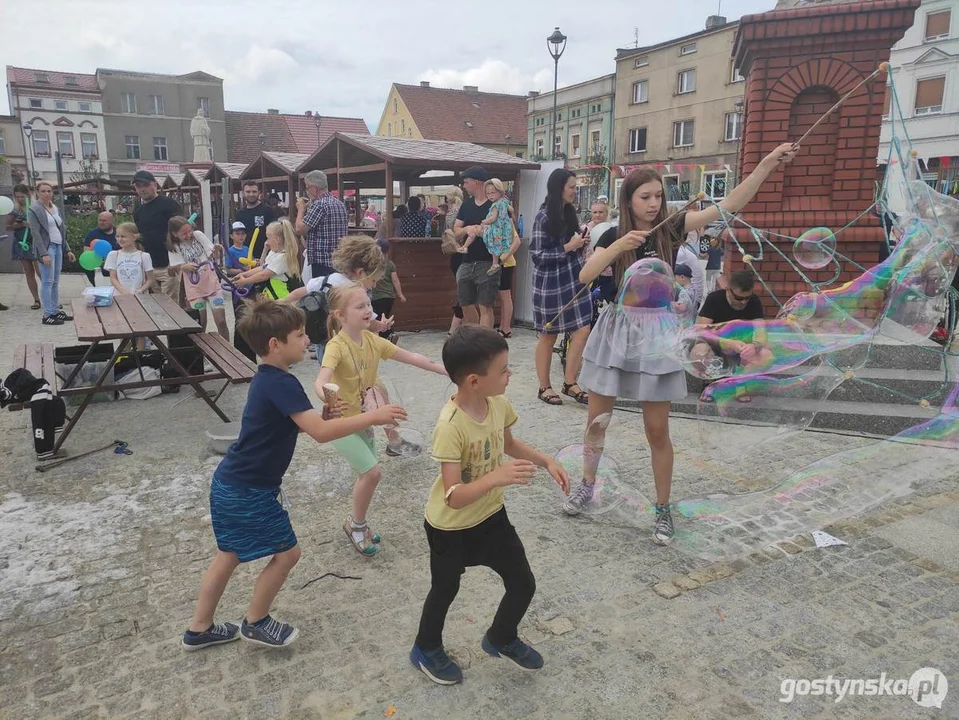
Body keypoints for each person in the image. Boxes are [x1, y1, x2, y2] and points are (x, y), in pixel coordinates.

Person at [569, 143, 797, 544]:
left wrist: (764, 164)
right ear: (629, 199)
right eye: (646, 197)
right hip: (615, 331)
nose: (654, 204)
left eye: (659, 195)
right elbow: (586, 275)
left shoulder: (673, 226)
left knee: (657, 430)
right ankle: (587, 485)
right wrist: (618, 247)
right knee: (596, 423)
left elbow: (727, 206)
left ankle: (662, 509)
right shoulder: (610, 232)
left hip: (657, 333)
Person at [182, 298, 406, 651]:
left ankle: (199, 629)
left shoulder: (269, 379)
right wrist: (373, 417)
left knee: (228, 554)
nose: (307, 340)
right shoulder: (282, 383)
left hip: (232, 483)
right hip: (249, 489)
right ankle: (256, 622)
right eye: (300, 335)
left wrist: (324, 418)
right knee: (287, 554)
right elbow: (320, 434)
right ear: (275, 344)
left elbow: (300, 425)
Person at [409, 326, 570, 685]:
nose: (510, 374)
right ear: (473, 381)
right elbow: (453, 495)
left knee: (522, 582)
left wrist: (546, 460)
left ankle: (501, 636)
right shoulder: (450, 426)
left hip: (491, 517)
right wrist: (495, 477)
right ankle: (425, 647)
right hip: (449, 527)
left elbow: (508, 443)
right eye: (503, 370)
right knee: (445, 589)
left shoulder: (497, 403)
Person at [314, 283, 447, 556]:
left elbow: (410, 357)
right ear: (340, 315)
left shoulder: (373, 341)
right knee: (372, 472)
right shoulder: (336, 347)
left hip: (365, 420)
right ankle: (357, 525)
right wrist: (329, 399)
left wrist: (444, 370)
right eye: (360, 306)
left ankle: (355, 521)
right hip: (340, 425)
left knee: (367, 475)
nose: (368, 310)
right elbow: (321, 381)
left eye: (368, 305)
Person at [530, 168, 592, 406]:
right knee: (549, 335)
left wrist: (580, 243)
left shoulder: (569, 212)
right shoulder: (543, 216)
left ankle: (569, 382)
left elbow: (572, 245)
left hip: (573, 278)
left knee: (582, 330)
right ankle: (544, 387)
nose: (575, 191)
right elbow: (537, 255)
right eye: (572, 187)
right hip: (551, 283)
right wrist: (568, 247)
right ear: (559, 188)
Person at [167, 216, 229, 340]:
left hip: (211, 282)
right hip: (194, 287)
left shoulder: (198, 235)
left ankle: (228, 348)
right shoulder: (174, 246)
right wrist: (185, 266)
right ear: (174, 234)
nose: (189, 235)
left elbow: (212, 254)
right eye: (184, 233)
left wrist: (216, 250)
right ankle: (199, 352)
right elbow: (177, 265)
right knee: (200, 322)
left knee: (220, 320)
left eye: (189, 231)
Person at [452, 166, 499, 328]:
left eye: (466, 182)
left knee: (485, 306)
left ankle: (485, 344)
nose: (463, 186)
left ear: (477, 182)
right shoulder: (466, 205)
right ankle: (474, 338)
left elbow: (505, 232)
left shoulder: (495, 205)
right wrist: (467, 229)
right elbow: (456, 232)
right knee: (465, 304)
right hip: (466, 262)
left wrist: (486, 231)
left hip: (488, 261)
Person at [28, 182, 76, 326]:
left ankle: (55, 310)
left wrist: (67, 249)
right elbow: (35, 233)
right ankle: (47, 314)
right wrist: (43, 254)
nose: (46, 193)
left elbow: (60, 230)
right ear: (38, 193)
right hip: (47, 247)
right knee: (47, 281)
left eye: (49, 191)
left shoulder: (55, 208)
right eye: (43, 191)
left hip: (58, 245)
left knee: (55, 281)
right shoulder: (34, 209)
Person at [132, 170, 182, 302]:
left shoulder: (169, 204)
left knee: (170, 305)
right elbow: (140, 238)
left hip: (169, 265)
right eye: (138, 186)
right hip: (150, 266)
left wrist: (176, 261)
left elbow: (181, 232)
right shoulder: (138, 212)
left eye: (145, 185)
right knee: (156, 305)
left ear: (154, 185)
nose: (142, 189)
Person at [295, 170, 348, 277]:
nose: (307, 191)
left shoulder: (319, 205)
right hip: (338, 259)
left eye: (307, 187)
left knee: (320, 292)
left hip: (321, 261)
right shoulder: (339, 203)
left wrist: (301, 209)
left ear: (314, 188)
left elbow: (299, 229)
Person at [233, 219, 302, 300]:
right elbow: (262, 268)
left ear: (277, 240)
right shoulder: (273, 253)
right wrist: (244, 274)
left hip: (282, 298)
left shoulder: (282, 257)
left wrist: (245, 281)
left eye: (268, 238)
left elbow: (264, 275)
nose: (266, 242)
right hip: (272, 296)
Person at [459, 179, 512, 276]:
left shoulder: (495, 205)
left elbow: (493, 218)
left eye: (493, 193)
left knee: (475, 230)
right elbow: (511, 210)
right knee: (496, 247)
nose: (490, 195)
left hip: (493, 228)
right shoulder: (505, 201)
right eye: (488, 193)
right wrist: (509, 219)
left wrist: (484, 221)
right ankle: (495, 263)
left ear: (500, 192)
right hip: (502, 229)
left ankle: (465, 246)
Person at [7, 184, 41, 310]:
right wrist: (18, 225)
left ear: (28, 195)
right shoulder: (14, 209)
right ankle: (36, 299)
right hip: (21, 242)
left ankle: (50, 297)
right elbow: (8, 226)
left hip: (35, 242)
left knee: (41, 271)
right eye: (18, 197)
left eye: (22, 196)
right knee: (29, 272)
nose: (20, 199)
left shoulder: (35, 207)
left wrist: (31, 224)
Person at [104, 222, 153, 295]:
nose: (120, 239)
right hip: (119, 296)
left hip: (140, 296)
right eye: (117, 236)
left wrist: (140, 290)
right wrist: (124, 292)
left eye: (123, 236)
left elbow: (150, 279)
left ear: (134, 237)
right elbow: (113, 278)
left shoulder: (144, 256)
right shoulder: (113, 255)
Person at [371, 238, 406, 342]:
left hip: (376, 297)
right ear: (388, 251)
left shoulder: (372, 264)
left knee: (378, 319)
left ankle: (388, 336)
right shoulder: (390, 264)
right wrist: (400, 294)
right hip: (389, 297)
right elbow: (395, 281)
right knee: (385, 316)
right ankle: (389, 335)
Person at [497, 207, 522, 339]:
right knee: (503, 296)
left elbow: (517, 241)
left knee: (505, 295)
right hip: (501, 261)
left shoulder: (506, 221)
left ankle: (506, 327)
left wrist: (504, 257)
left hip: (505, 263)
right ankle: (502, 326)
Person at [235, 181, 276, 260]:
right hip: (245, 257)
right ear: (243, 193)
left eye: (254, 192)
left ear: (259, 193)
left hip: (266, 256)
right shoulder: (240, 214)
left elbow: (275, 233)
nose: (251, 194)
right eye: (248, 192)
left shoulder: (267, 210)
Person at [444, 187, 465, 334]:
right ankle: (455, 326)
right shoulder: (463, 210)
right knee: (465, 293)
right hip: (464, 252)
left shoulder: (450, 213)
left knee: (463, 291)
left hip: (455, 254)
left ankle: (456, 326)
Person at [81, 211, 119, 286]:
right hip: (100, 264)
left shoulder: (118, 233)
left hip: (117, 263)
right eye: (100, 220)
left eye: (105, 220)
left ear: (112, 221)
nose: (102, 222)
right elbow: (86, 251)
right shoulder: (93, 234)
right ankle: (97, 285)